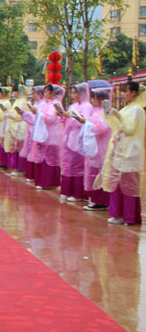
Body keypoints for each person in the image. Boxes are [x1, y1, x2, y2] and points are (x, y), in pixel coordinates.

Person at [93, 81, 145, 225]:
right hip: (119, 151)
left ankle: (130, 216)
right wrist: (110, 115)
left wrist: (119, 117)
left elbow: (129, 129)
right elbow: (116, 126)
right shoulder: (127, 109)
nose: (122, 95)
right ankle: (118, 213)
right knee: (117, 184)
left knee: (129, 186)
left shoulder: (138, 110)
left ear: (133, 92)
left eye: (125, 91)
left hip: (130, 153)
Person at [80, 87, 113, 210]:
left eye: (93, 98)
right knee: (93, 172)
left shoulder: (104, 112)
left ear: (100, 99)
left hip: (100, 148)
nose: (92, 100)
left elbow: (102, 128)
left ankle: (101, 201)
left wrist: (87, 123)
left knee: (98, 173)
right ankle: (95, 199)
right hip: (94, 146)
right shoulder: (97, 112)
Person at [59, 83, 93, 201]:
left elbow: (84, 122)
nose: (72, 95)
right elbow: (66, 120)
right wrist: (63, 115)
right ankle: (68, 191)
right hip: (69, 139)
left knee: (77, 166)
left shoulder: (87, 106)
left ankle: (79, 194)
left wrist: (72, 117)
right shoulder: (73, 105)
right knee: (68, 165)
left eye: (75, 93)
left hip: (79, 139)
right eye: (72, 93)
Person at [32, 84, 65, 189]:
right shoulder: (46, 103)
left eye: (47, 92)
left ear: (52, 93)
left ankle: (49, 182)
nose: (45, 94)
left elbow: (50, 119)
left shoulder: (56, 104)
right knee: (42, 157)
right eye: (45, 92)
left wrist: (38, 113)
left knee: (49, 159)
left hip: (52, 136)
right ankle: (42, 181)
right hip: (44, 135)